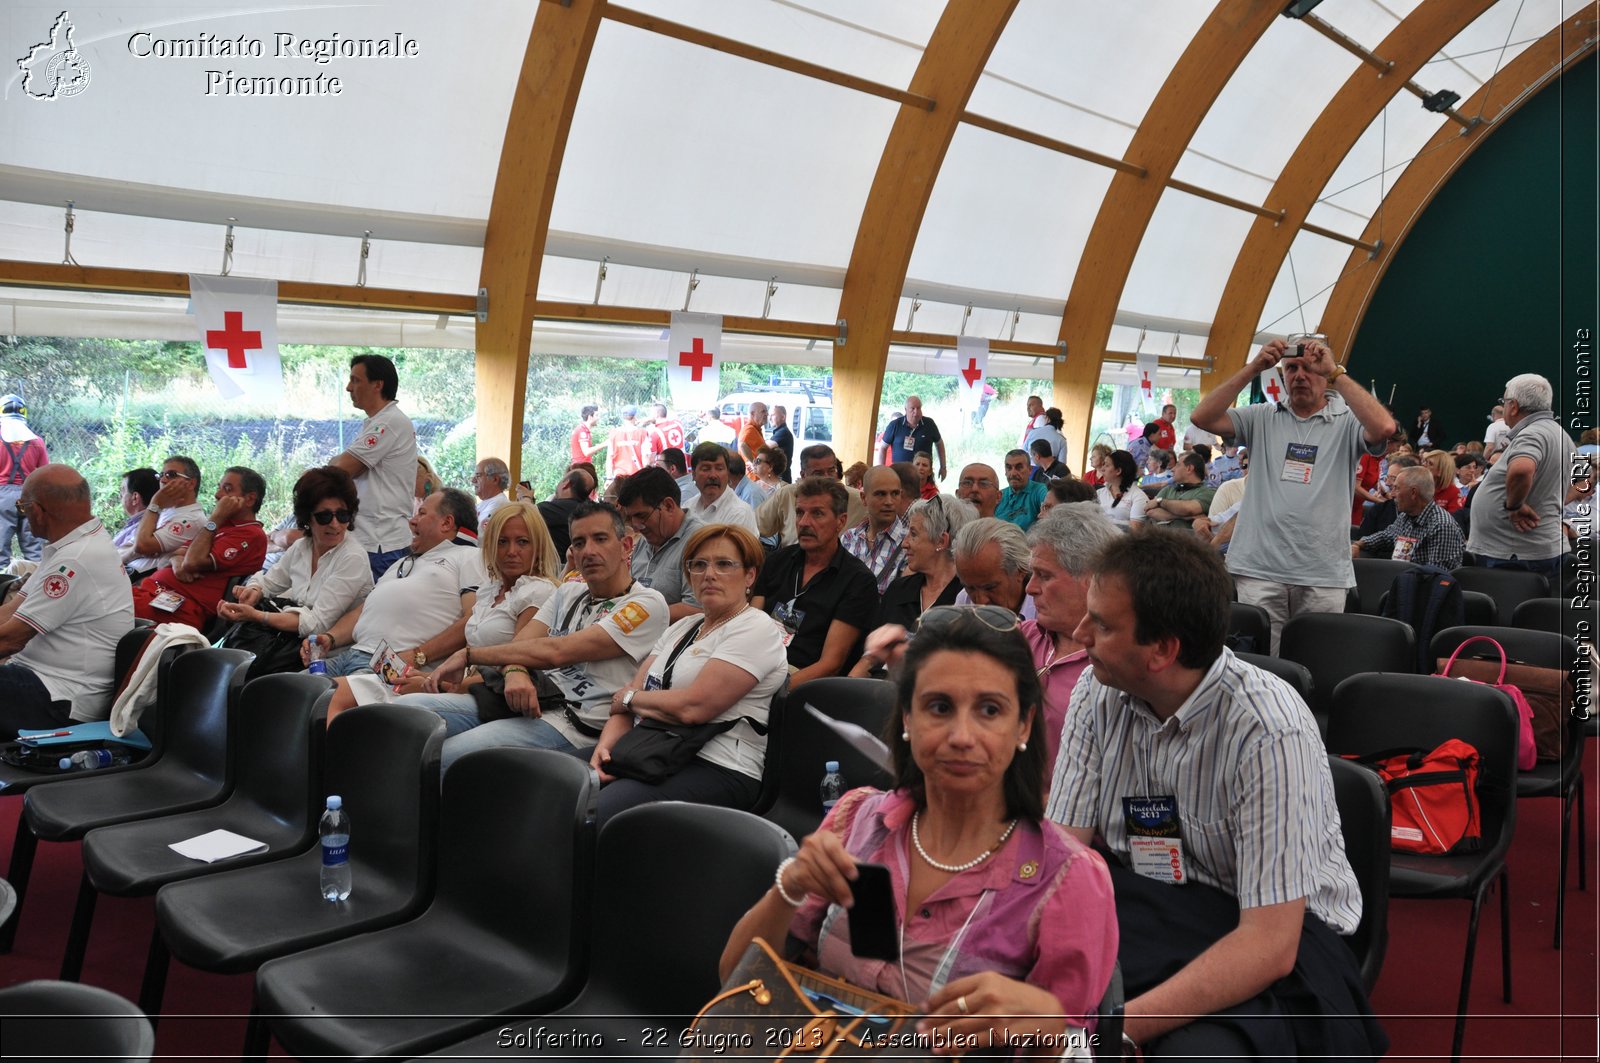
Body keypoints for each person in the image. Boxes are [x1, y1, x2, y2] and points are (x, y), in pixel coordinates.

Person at [1049, 530, 1382, 1060]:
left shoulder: (1267, 730)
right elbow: (1063, 858)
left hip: (1277, 938)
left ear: (1162, 651)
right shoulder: (1099, 688)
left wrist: (1107, 1030)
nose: (1080, 633)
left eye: (1104, 624)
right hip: (1149, 904)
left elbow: (1269, 947)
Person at [722, 608, 1118, 1048]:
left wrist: (1050, 1032)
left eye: (990, 709)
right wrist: (789, 886)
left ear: (1023, 724)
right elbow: (733, 982)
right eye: (939, 707)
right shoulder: (857, 822)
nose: (962, 736)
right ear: (908, 719)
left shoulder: (1067, 879)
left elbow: (1074, 1043)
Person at [425, 502, 670, 776]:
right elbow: (518, 647)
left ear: (626, 545)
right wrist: (516, 671)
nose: (588, 551)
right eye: (579, 543)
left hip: (577, 724)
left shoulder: (647, 603)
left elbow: (557, 651)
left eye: (600, 539)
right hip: (534, 704)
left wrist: (469, 654)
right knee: (412, 715)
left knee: (447, 757)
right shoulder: (568, 592)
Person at [1190, 336, 1395, 654]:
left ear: (1324, 373)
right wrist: (1255, 367)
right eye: (1291, 368)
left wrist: (1336, 373)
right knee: (1260, 667)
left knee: (1314, 665)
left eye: (1310, 367)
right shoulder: (1261, 417)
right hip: (1260, 569)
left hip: (1322, 572)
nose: (1299, 375)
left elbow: (1384, 428)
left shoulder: (1347, 421)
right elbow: (1202, 417)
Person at [593, 524, 786, 824]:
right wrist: (606, 748)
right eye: (698, 565)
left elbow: (693, 708)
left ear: (750, 576)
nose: (709, 574)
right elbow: (626, 699)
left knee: (598, 810)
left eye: (724, 564)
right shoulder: (682, 627)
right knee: (562, 784)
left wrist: (632, 699)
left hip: (719, 766)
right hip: (654, 749)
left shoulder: (756, 627)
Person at [342, 500, 563, 723]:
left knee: (394, 710)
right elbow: (471, 661)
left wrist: (433, 683)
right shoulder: (490, 589)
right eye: (502, 542)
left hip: (496, 701)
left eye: (522, 542)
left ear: (538, 546)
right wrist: (428, 678)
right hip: (465, 687)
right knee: (342, 693)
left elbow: (512, 667)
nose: (511, 551)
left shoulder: (538, 590)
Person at [299, 487, 486, 681]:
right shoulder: (402, 562)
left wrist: (418, 655)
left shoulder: (470, 556)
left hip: (392, 661)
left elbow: (473, 620)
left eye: (421, 513)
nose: (412, 521)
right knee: (284, 691)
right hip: (350, 654)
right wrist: (329, 638)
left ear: (446, 523)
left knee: (321, 702)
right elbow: (362, 611)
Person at [0, 465, 133, 738]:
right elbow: (11, 612)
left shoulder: (76, 558)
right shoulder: (70, 546)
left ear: (36, 510)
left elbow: (9, 640)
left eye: (23, 508)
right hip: (40, 680)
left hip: (61, 698)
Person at [215, 466, 374, 672]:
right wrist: (252, 592)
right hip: (292, 645)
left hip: (330, 654)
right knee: (229, 666)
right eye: (325, 517)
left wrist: (257, 616)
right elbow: (268, 582)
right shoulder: (302, 547)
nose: (335, 524)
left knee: (243, 673)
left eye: (343, 515)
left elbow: (317, 624)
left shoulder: (352, 556)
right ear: (308, 518)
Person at [752, 477, 879, 686]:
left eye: (817, 514)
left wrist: (771, 692)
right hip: (757, 665)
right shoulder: (777, 561)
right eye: (800, 512)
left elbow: (830, 664)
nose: (803, 523)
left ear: (841, 521)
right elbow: (752, 624)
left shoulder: (857, 581)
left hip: (802, 681)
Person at [1024, 503, 1120, 772]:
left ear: (1091, 579)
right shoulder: (1025, 636)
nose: (1030, 588)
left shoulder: (1116, 666)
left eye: (1044, 575)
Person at [131, 466, 269, 632]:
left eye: (227, 489)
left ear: (249, 499)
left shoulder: (250, 534)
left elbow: (192, 562)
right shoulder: (221, 527)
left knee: (104, 609)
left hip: (181, 608)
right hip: (155, 592)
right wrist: (176, 561)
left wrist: (215, 519)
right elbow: (177, 554)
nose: (217, 495)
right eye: (219, 487)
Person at [1467, 373, 1574, 583]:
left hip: (1512, 554)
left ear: (1513, 406)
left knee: (1506, 614)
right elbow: (1584, 480)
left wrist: (1514, 506)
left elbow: (1521, 470)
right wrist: (1552, 505)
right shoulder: (1561, 434)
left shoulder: (1532, 433)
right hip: (1528, 550)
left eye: (1504, 402)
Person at [852, 495, 977, 672]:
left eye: (914, 534)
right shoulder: (899, 590)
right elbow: (868, 660)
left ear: (941, 541)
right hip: (875, 692)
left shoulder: (966, 599)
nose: (904, 544)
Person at [329, 354, 418, 580]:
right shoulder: (377, 422)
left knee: (371, 609)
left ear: (378, 385)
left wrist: (334, 463)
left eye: (356, 380)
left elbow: (341, 470)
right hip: (372, 538)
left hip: (380, 541)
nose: (349, 388)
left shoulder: (388, 422)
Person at [616, 466, 703, 621]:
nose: (636, 526)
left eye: (641, 515)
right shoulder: (645, 539)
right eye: (630, 518)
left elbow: (696, 609)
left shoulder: (701, 542)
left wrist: (635, 620)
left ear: (668, 506)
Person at [1352, 466, 1464, 569]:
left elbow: (1436, 576)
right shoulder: (1407, 515)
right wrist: (1359, 544)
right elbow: (1387, 536)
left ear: (1413, 493)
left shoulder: (1442, 526)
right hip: (1401, 578)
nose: (1392, 494)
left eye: (1397, 488)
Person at [755, 444, 868, 547]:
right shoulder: (787, 495)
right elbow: (755, 525)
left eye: (831, 471)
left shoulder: (859, 501)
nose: (827, 478)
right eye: (818, 473)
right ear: (803, 475)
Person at [121, 455, 207, 578]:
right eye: (161, 475)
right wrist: (135, 551)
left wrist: (155, 504)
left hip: (141, 581)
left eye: (171, 475)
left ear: (191, 483)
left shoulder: (192, 520)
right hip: (125, 572)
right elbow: (130, 546)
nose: (163, 480)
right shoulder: (165, 510)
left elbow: (141, 546)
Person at [841, 466, 909, 594]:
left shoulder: (909, 544)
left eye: (895, 493)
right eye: (881, 494)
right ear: (863, 498)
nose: (889, 501)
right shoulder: (848, 539)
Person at [0, 393, 48, 566]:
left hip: (2, 498)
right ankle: (37, 587)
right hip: (29, 497)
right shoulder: (37, 442)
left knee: (0, 551)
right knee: (34, 549)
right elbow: (44, 474)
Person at [952, 518, 1032, 617]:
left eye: (990, 588)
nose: (980, 602)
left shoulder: (1047, 607)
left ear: (1020, 570)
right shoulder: (964, 600)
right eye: (970, 588)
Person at [684, 442, 759, 534]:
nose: (713, 475)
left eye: (719, 469)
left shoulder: (740, 513)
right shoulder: (688, 506)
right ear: (694, 474)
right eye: (705, 469)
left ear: (728, 474)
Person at [876, 396, 947, 481]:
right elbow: (883, 447)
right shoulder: (895, 425)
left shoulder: (929, 424)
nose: (916, 412)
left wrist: (943, 467)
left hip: (923, 476)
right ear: (905, 409)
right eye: (912, 409)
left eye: (918, 408)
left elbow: (939, 444)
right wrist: (880, 471)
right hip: (899, 476)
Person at [1144, 453, 1215, 531]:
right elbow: (1150, 511)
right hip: (1159, 539)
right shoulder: (1169, 489)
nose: (1172, 469)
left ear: (1189, 468)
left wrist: (1160, 502)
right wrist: (1183, 517)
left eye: (1178, 465)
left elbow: (1188, 509)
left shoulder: (1208, 492)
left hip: (1186, 541)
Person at [538, 468, 593, 562]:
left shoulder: (551, 510)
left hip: (554, 570)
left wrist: (525, 497)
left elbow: (524, 514)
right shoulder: (592, 510)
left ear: (566, 483)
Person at [110, 467, 159, 556]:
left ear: (135, 497)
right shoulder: (135, 525)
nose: (120, 497)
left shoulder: (143, 531)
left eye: (123, 491)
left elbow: (112, 558)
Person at [996, 450, 1047, 531]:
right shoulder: (999, 496)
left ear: (1030, 470)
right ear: (1005, 471)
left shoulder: (1040, 491)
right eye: (1009, 468)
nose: (1013, 473)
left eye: (1019, 467)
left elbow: (1051, 513)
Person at [1096, 450, 1148, 529]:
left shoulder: (1138, 496)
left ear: (1118, 471)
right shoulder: (1099, 493)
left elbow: (1135, 533)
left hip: (1122, 540)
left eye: (1106, 465)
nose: (1102, 469)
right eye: (1103, 465)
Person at [606, 405, 647, 482]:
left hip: (619, 477)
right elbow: (646, 458)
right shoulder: (642, 433)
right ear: (635, 416)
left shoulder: (613, 433)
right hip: (637, 475)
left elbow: (609, 458)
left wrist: (609, 478)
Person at [471, 457, 512, 525]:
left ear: (495, 479)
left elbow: (479, 533)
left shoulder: (499, 504)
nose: (473, 480)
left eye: (478, 476)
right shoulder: (488, 502)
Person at [643, 402, 684, 467]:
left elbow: (651, 460)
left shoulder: (654, 433)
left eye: (651, 414)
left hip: (667, 469)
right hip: (682, 464)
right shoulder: (678, 423)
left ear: (656, 415)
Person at [768, 405, 796, 479]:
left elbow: (764, 448)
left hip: (782, 478)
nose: (770, 418)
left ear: (783, 417)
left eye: (773, 415)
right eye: (769, 415)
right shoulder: (779, 432)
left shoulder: (783, 432)